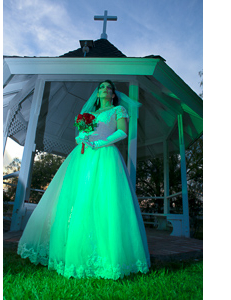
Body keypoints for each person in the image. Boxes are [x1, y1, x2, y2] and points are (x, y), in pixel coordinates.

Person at [17, 80, 151, 280]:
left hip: (105, 155)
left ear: (113, 94)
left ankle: (108, 255)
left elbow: (123, 131)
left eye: (109, 88)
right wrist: (82, 138)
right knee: (80, 199)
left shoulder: (118, 109)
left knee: (105, 199)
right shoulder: (89, 114)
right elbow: (82, 134)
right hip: (83, 157)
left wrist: (100, 143)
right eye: (102, 87)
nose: (105, 90)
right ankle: (74, 248)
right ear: (97, 93)